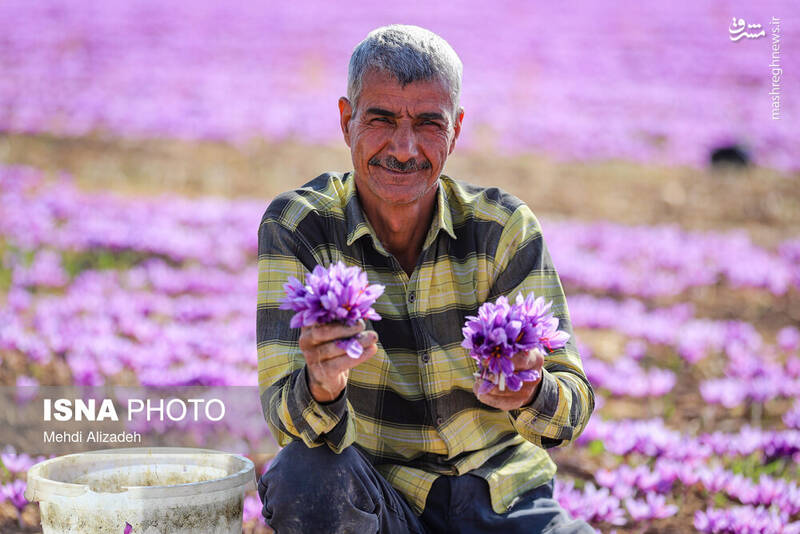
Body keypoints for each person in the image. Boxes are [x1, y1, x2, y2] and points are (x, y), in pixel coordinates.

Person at [256, 24, 595, 534]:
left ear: (456, 129)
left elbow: (573, 403)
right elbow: (284, 413)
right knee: (303, 474)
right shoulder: (300, 227)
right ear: (346, 120)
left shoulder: (501, 228)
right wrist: (321, 385)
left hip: (503, 502)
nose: (404, 147)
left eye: (428, 123)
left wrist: (530, 389)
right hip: (380, 504)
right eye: (381, 119)